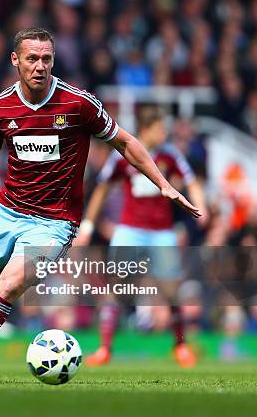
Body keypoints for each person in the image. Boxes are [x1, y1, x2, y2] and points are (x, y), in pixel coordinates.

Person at [0, 27, 200, 383]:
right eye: (32, 59)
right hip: (6, 211)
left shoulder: (79, 104)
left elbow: (125, 142)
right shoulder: (0, 108)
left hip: (55, 223)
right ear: (16, 61)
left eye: (46, 59)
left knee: (8, 287)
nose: (40, 66)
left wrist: (162, 184)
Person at [74, 106, 207, 367]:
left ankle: (180, 346)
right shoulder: (123, 154)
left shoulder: (170, 156)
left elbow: (191, 181)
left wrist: (200, 206)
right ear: (146, 129)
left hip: (162, 234)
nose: (164, 133)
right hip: (130, 230)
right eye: (160, 128)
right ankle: (104, 348)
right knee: (117, 288)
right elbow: (101, 189)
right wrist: (88, 226)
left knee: (171, 292)